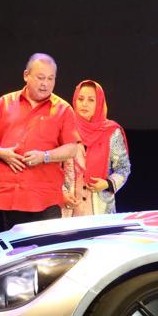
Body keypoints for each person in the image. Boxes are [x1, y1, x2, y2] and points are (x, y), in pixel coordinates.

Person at [0, 53, 81, 229]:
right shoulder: (5, 102)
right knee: (16, 246)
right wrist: (0, 152)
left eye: (50, 79)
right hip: (13, 195)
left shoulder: (63, 109)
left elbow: (72, 148)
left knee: (47, 246)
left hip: (47, 197)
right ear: (26, 75)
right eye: (40, 78)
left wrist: (45, 156)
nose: (45, 84)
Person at [62, 79, 131, 217]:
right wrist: (62, 193)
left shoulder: (112, 132)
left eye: (91, 100)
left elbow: (123, 168)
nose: (84, 104)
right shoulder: (65, 128)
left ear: (99, 103)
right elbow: (53, 168)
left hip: (101, 208)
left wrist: (107, 184)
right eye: (80, 99)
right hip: (69, 207)